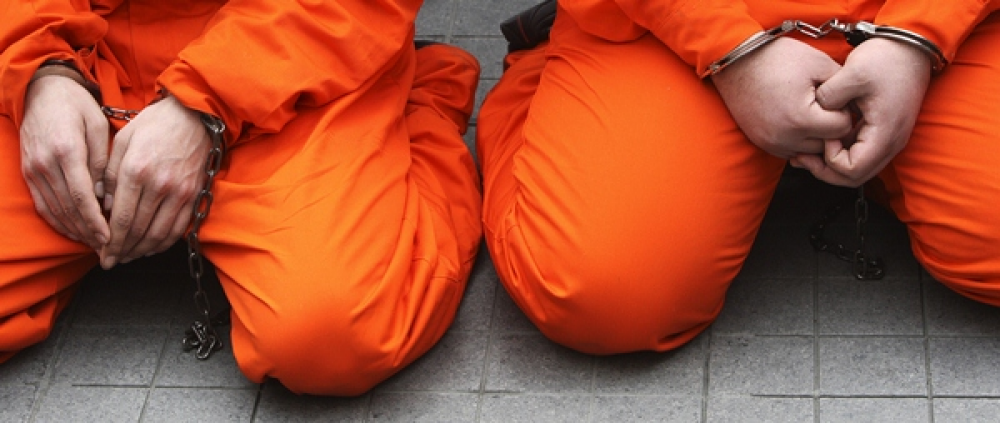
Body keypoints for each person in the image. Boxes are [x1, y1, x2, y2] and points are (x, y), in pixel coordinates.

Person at [0, 0, 483, 395]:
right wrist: (40, 70)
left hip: (290, 58)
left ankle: (417, 107)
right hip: (83, 59)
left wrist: (206, 98)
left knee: (331, 337)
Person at [477, 0, 1000, 354]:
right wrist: (727, 44)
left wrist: (919, 32)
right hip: (661, 25)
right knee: (603, 295)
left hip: (952, 22)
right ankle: (543, 89)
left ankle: (883, 151)